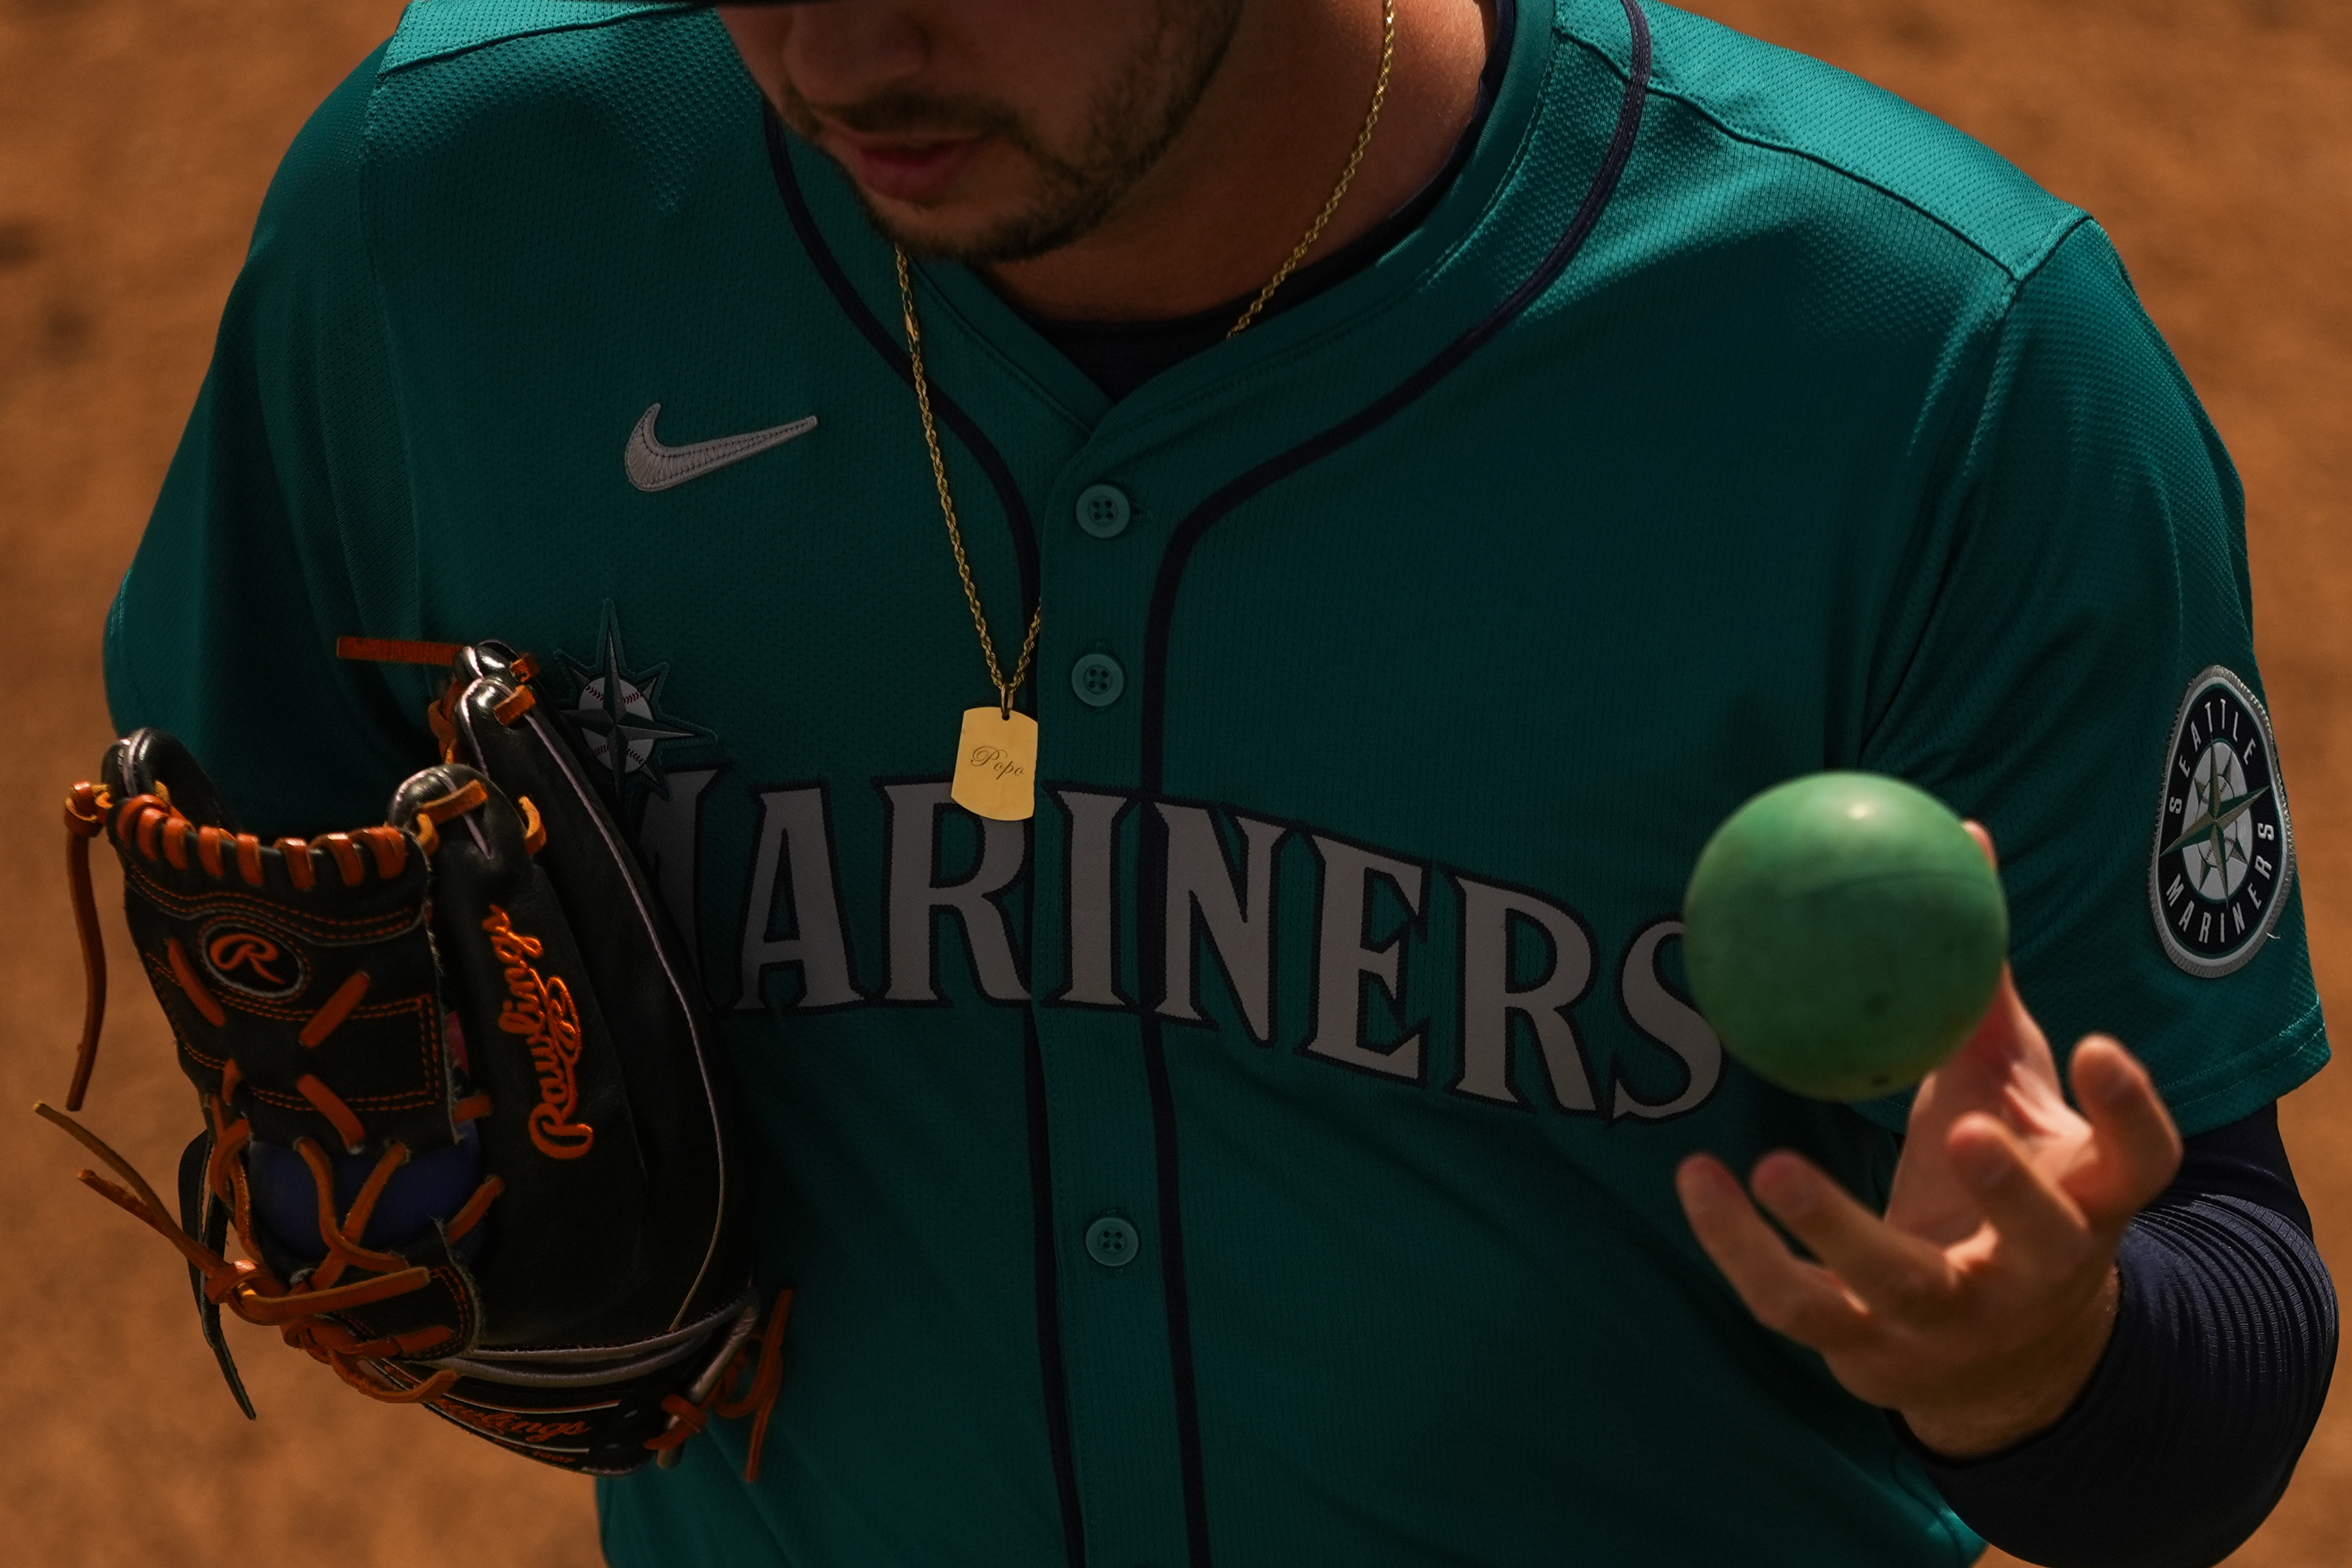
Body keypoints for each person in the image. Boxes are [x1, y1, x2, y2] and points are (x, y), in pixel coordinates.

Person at [107, 1, 2335, 1563]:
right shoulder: (461, 219)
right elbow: (260, 850)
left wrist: (2039, 1353)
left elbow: (2215, 1377)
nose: (839, 49)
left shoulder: (1928, 365)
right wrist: (403, 1182)